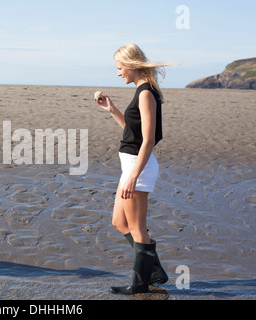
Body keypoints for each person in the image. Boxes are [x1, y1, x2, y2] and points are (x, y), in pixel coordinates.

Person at [95, 43, 173, 295]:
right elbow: (133, 131)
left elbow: (148, 141)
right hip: (130, 165)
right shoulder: (141, 91)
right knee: (119, 222)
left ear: (130, 65)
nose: (118, 73)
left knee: (137, 227)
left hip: (138, 167)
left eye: (119, 68)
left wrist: (133, 176)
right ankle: (154, 270)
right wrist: (112, 110)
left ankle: (140, 283)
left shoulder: (146, 93)